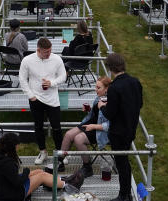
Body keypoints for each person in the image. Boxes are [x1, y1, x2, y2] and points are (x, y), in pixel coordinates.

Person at [100, 53, 143, 201]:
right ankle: (126, 194)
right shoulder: (135, 82)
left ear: (110, 68)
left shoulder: (114, 88)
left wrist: (102, 107)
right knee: (124, 162)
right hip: (130, 129)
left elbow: (110, 114)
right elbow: (140, 104)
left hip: (118, 132)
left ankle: (123, 196)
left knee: (122, 163)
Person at [19, 37, 66, 165]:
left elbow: (63, 76)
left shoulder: (56, 59)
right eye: (46, 52)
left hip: (52, 99)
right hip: (35, 99)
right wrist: (30, 96)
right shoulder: (27, 60)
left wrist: (52, 82)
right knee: (38, 126)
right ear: (38, 50)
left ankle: (60, 153)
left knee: (56, 127)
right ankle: (43, 151)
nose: (49, 54)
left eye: (50, 51)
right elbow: (22, 79)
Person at [60, 76, 111, 176]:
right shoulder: (99, 97)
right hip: (90, 124)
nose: (95, 89)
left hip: (101, 131)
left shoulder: (112, 102)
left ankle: (87, 167)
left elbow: (110, 125)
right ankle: (59, 162)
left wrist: (93, 127)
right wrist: (88, 109)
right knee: (68, 135)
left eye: (98, 88)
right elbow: (96, 114)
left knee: (78, 139)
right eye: (95, 87)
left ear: (107, 89)